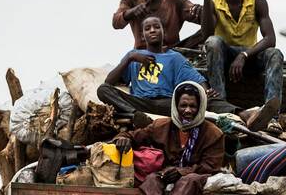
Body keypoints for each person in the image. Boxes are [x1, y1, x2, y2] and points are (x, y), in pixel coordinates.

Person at [112, 81, 225, 195]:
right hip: (165, 174)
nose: (187, 110)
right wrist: (123, 139)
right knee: (151, 179)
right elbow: (133, 135)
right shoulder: (161, 126)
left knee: (189, 181)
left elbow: (211, 165)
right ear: (175, 105)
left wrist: (183, 172)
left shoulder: (213, 133)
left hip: (194, 175)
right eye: (183, 105)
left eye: (193, 106)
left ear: (201, 107)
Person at [98, 16, 236, 119]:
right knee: (102, 90)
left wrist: (206, 92)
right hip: (140, 103)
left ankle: (242, 113)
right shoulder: (133, 56)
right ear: (142, 35)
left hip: (167, 103)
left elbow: (196, 78)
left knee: (206, 101)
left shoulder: (174, 57)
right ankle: (137, 116)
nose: (152, 30)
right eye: (147, 28)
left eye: (157, 27)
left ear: (163, 32)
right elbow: (108, 82)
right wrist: (130, 59)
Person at [202, 0, 284, 132]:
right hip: (224, 56)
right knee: (213, 42)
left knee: (275, 53)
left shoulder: (257, 2)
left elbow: (270, 38)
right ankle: (221, 109)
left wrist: (244, 55)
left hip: (250, 56)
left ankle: (272, 117)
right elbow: (207, 35)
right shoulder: (213, 3)